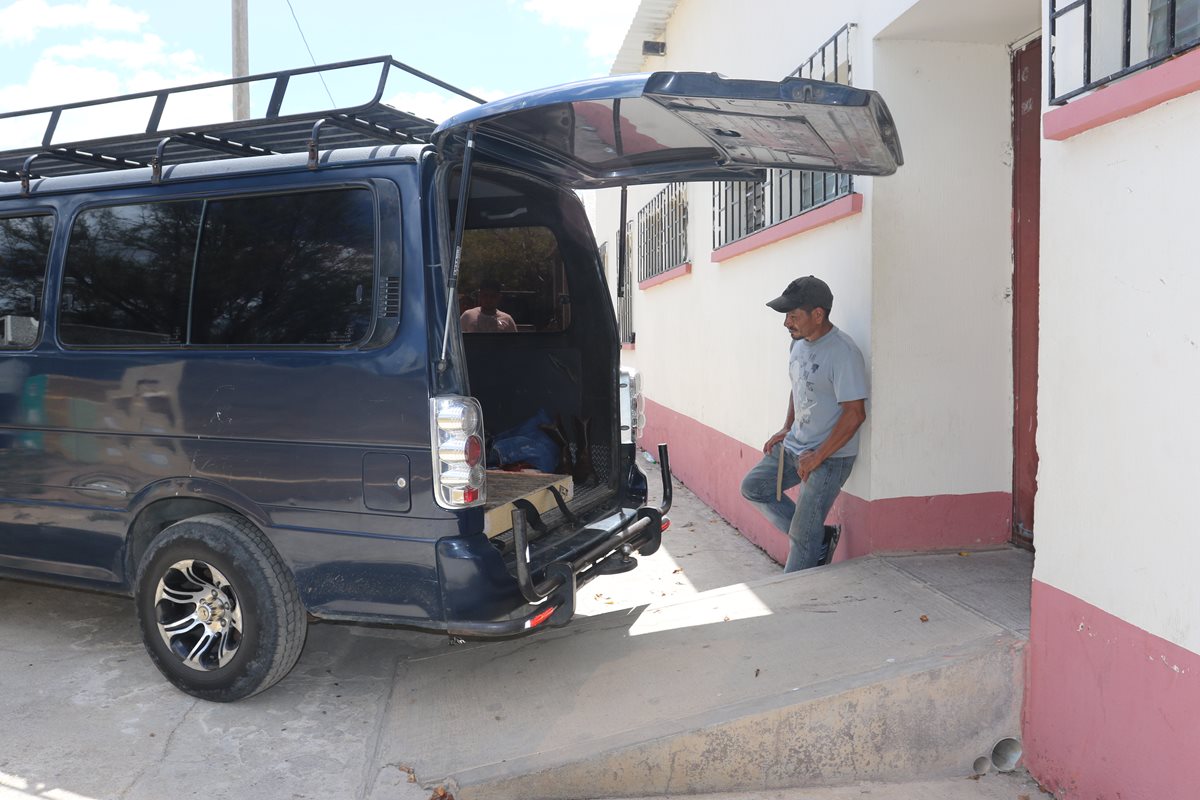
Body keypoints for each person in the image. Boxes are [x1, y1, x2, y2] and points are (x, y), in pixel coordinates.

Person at [740, 275, 867, 572]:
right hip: (796, 445)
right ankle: (817, 538)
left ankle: (793, 600)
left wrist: (818, 456)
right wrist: (787, 426)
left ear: (818, 314)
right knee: (754, 487)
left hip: (830, 457)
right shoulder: (798, 344)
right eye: (787, 315)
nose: (787, 323)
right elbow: (799, 386)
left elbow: (855, 414)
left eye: (794, 315)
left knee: (800, 538)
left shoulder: (843, 353)